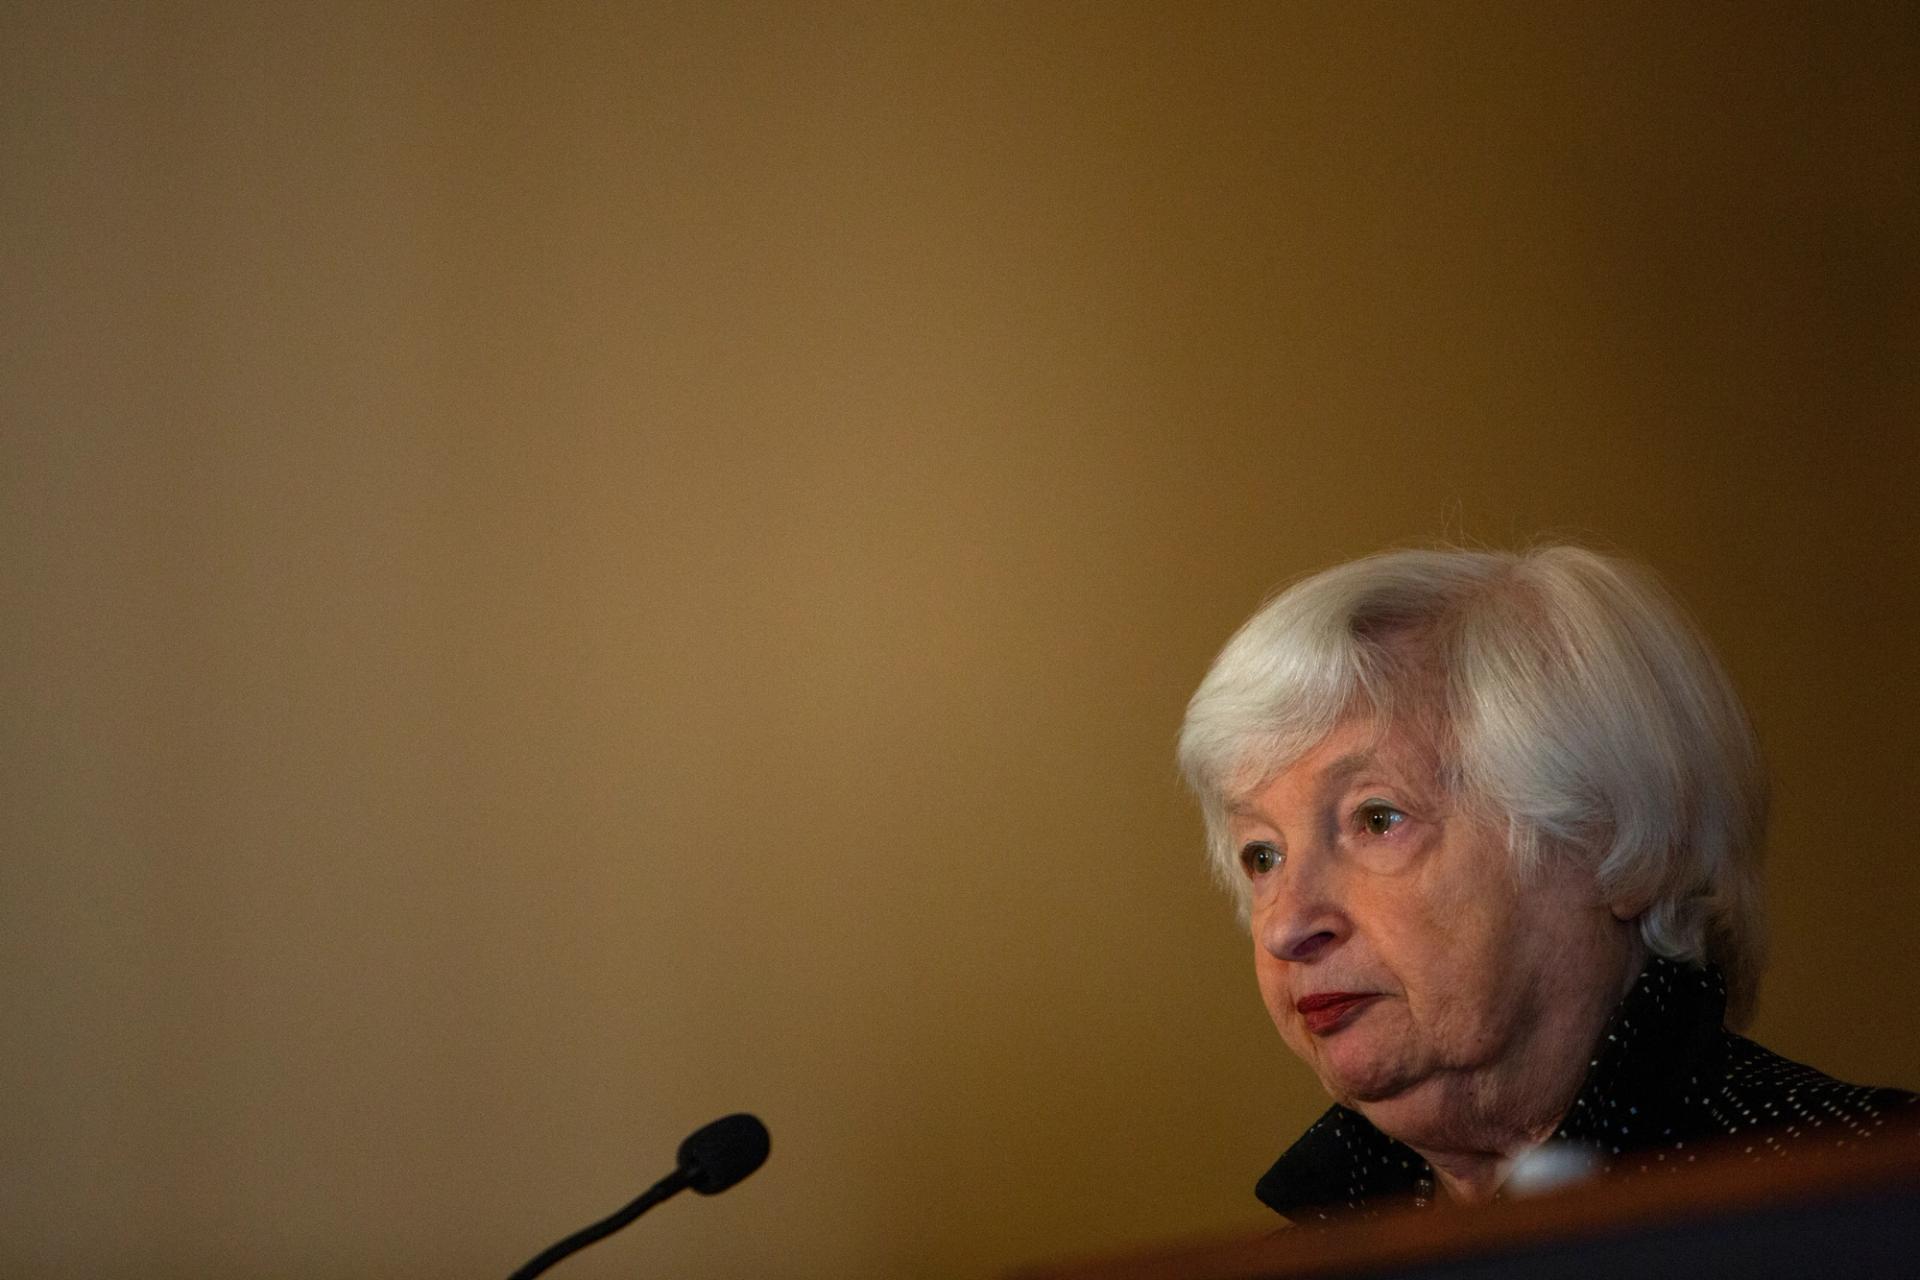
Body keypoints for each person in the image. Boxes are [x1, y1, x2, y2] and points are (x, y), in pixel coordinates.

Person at [1176, 546, 1917, 1222]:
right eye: (1262, 856)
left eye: (1377, 817)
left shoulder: (1865, 1198)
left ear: (1613, 841)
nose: (1284, 926)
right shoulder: (1307, 1248)